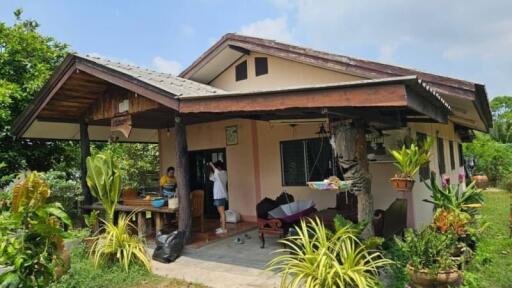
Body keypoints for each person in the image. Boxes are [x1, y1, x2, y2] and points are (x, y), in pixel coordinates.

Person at [208, 160, 228, 234]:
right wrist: (211, 169)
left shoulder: (222, 173)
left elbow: (216, 172)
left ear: (219, 167)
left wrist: (212, 165)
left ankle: (224, 228)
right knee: (221, 213)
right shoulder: (221, 174)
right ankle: (222, 227)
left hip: (220, 196)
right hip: (220, 196)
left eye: (216, 167)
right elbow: (211, 178)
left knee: (222, 213)